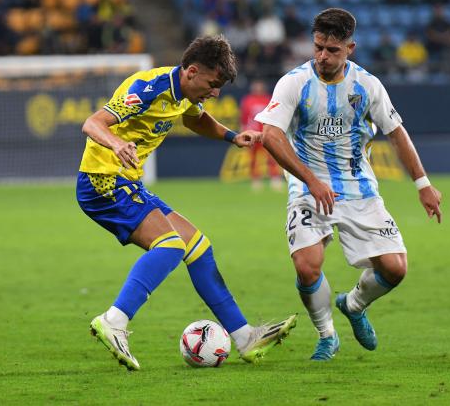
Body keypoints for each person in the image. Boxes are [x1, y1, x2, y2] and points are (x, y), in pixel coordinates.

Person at [77, 35, 297, 371]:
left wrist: (231, 136)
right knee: (170, 246)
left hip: (127, 182)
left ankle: (244, 337)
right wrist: (117, 143)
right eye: (212, 84)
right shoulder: (149, 87)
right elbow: (93, 123)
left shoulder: (183, 93)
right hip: (102, 181)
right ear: (191, 71)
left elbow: (194, 118)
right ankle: (114, 320)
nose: (215, 93)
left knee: (198, 247)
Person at [255, 8, 442, 361]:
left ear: (350, 48)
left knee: (395, 268)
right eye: (318, 48)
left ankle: (354, 305)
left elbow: (397, 133)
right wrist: (310, 181)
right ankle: (327, 335)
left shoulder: (367, 86)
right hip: (307, 184)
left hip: (357, 184)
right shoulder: (294, 82)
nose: (323, 56)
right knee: (307, 264)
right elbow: (271, 135)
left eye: (332, 50)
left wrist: (423, 184)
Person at [239, 79, 282, 190]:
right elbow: (244, 117)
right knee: (253, 157)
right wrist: (243, 129)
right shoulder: (247, 100)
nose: (257, 88)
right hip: (252, 133)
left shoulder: (268, 99)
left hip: (265, 132)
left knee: (272, 156)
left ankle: (275, 178)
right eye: (255, 86)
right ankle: (255, 179)